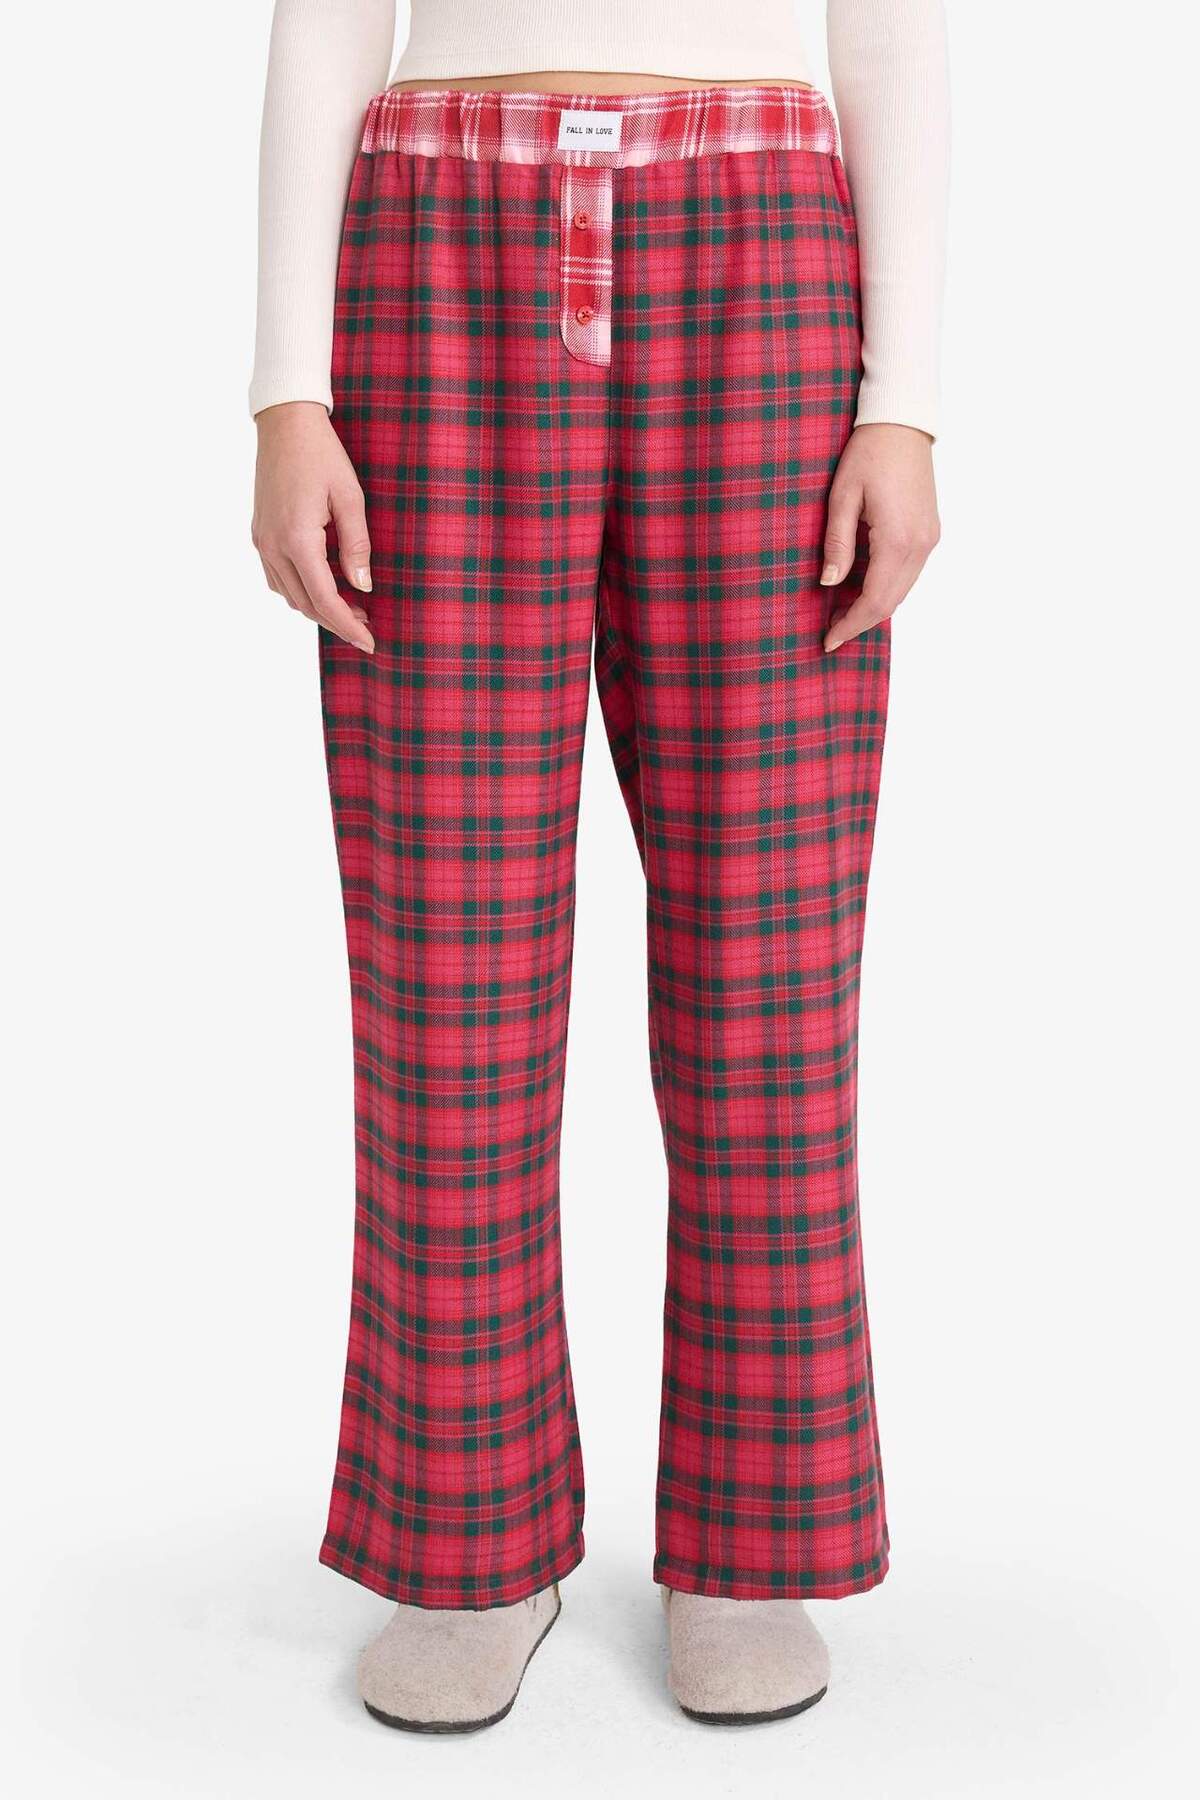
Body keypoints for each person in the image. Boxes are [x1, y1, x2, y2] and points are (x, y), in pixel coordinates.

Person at [250, 0, 948, 1734]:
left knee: (767, 968)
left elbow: (895, 32)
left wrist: (907, 406)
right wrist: (285, 389)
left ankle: (751, 1549)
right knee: (446, 963)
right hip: (434, 248)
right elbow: (327, 14)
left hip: (765, 254)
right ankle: (468, 1543)